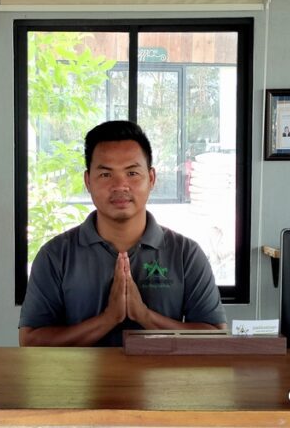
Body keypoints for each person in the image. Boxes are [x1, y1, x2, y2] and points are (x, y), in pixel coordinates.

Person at [19, 120, 226, 347]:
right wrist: (108, 319)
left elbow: (215, 335)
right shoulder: (55, 255)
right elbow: (30, 340)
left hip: (162, 383)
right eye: (106, 175)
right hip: (79, 383)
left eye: (132, 173)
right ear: (88, 181)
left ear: (152, 179)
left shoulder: (186, 254)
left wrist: (145, 316)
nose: (120, 185)